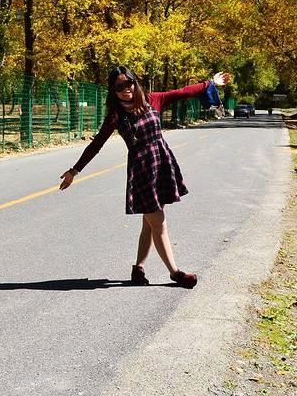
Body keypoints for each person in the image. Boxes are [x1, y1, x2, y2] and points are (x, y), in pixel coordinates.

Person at [59, 67, 231, 289]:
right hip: (141, 172)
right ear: (113, 90)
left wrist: (210, 83)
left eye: (128, 83)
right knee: (158, 222)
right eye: (119, 86)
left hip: (161, 163)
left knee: (149, 223)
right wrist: (74, 171)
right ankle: (175, 273)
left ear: (134, 82)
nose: (125, 89)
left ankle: (138, 269)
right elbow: (96, 144)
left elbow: (183, 92)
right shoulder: (116, 115)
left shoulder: (152, 100)